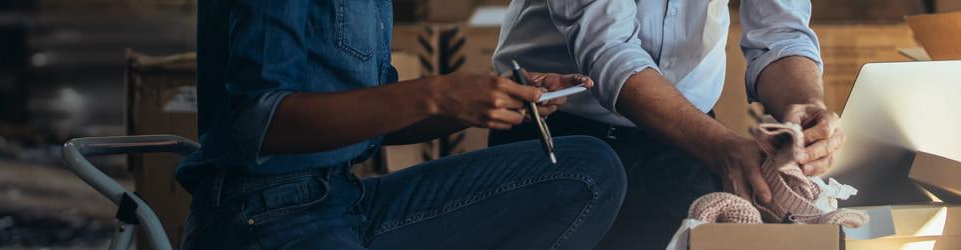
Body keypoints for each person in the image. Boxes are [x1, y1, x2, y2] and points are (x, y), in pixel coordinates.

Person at [179, 0, 629, 248]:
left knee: (588, 171)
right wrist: (438, 93)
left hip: (344, 198)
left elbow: (377, 117)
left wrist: (482, 98)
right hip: (262, 214)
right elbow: (262, 122)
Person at [490, 0, 844, 248]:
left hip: (688, 141)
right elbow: (608, 50)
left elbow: (780, 33)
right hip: (556, 134)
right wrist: (722, 148)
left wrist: (806, 105)